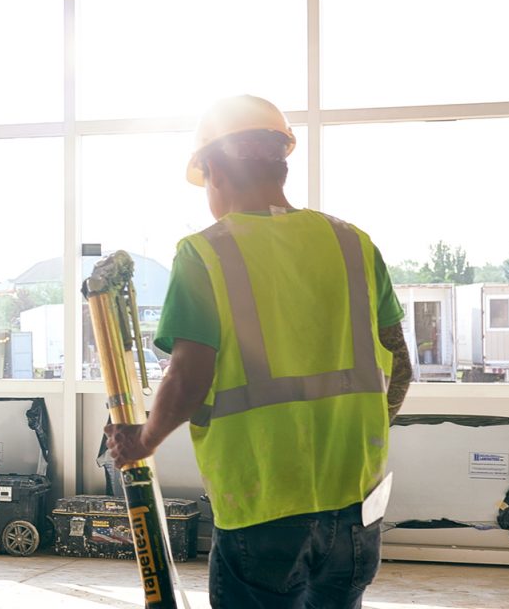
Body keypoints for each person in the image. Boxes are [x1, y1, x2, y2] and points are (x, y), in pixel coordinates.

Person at [105, 95, 413, 608]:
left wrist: (144, 440)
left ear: (215, 170)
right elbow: (398, 365)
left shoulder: (205, 252)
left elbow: (188, 378)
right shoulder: (353, 244)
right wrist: (357, 435)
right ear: (280, 166)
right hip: (357, 499)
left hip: (262, 501)